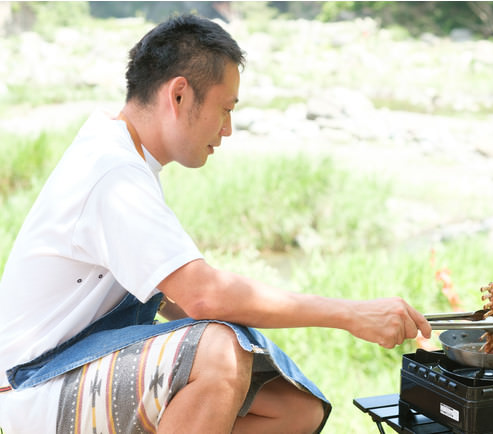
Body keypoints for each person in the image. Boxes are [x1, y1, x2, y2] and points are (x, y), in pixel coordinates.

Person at [0, 14, 432, 434]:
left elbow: (179, 300)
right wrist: (350, 314)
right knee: (218, 353)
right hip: (32, 382)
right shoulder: (112, 172)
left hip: (78, 367)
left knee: (295, 408)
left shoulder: (122, 156)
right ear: (180, 96)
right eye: (225, 109)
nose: (227, 129)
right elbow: (203, 296)